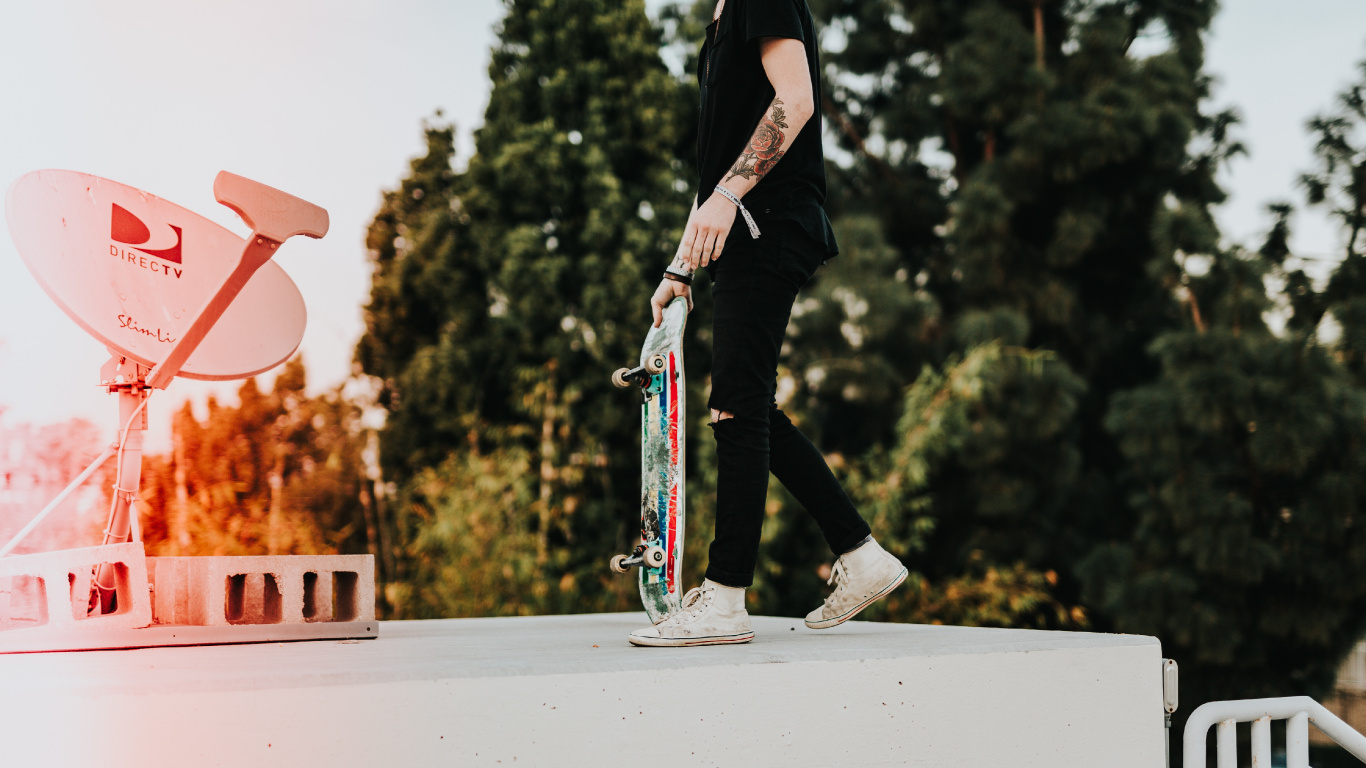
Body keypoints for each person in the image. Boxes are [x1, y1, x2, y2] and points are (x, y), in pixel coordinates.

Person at [628, 0, 907, 647]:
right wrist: (681, 266)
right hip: (746, 227)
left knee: (735, 406)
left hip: (770, 220)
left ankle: (725, 597)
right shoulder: (722, 19)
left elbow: (796, 100)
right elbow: (717, 168)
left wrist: (730, 196)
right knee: (746, 405)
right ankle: (861, 554)